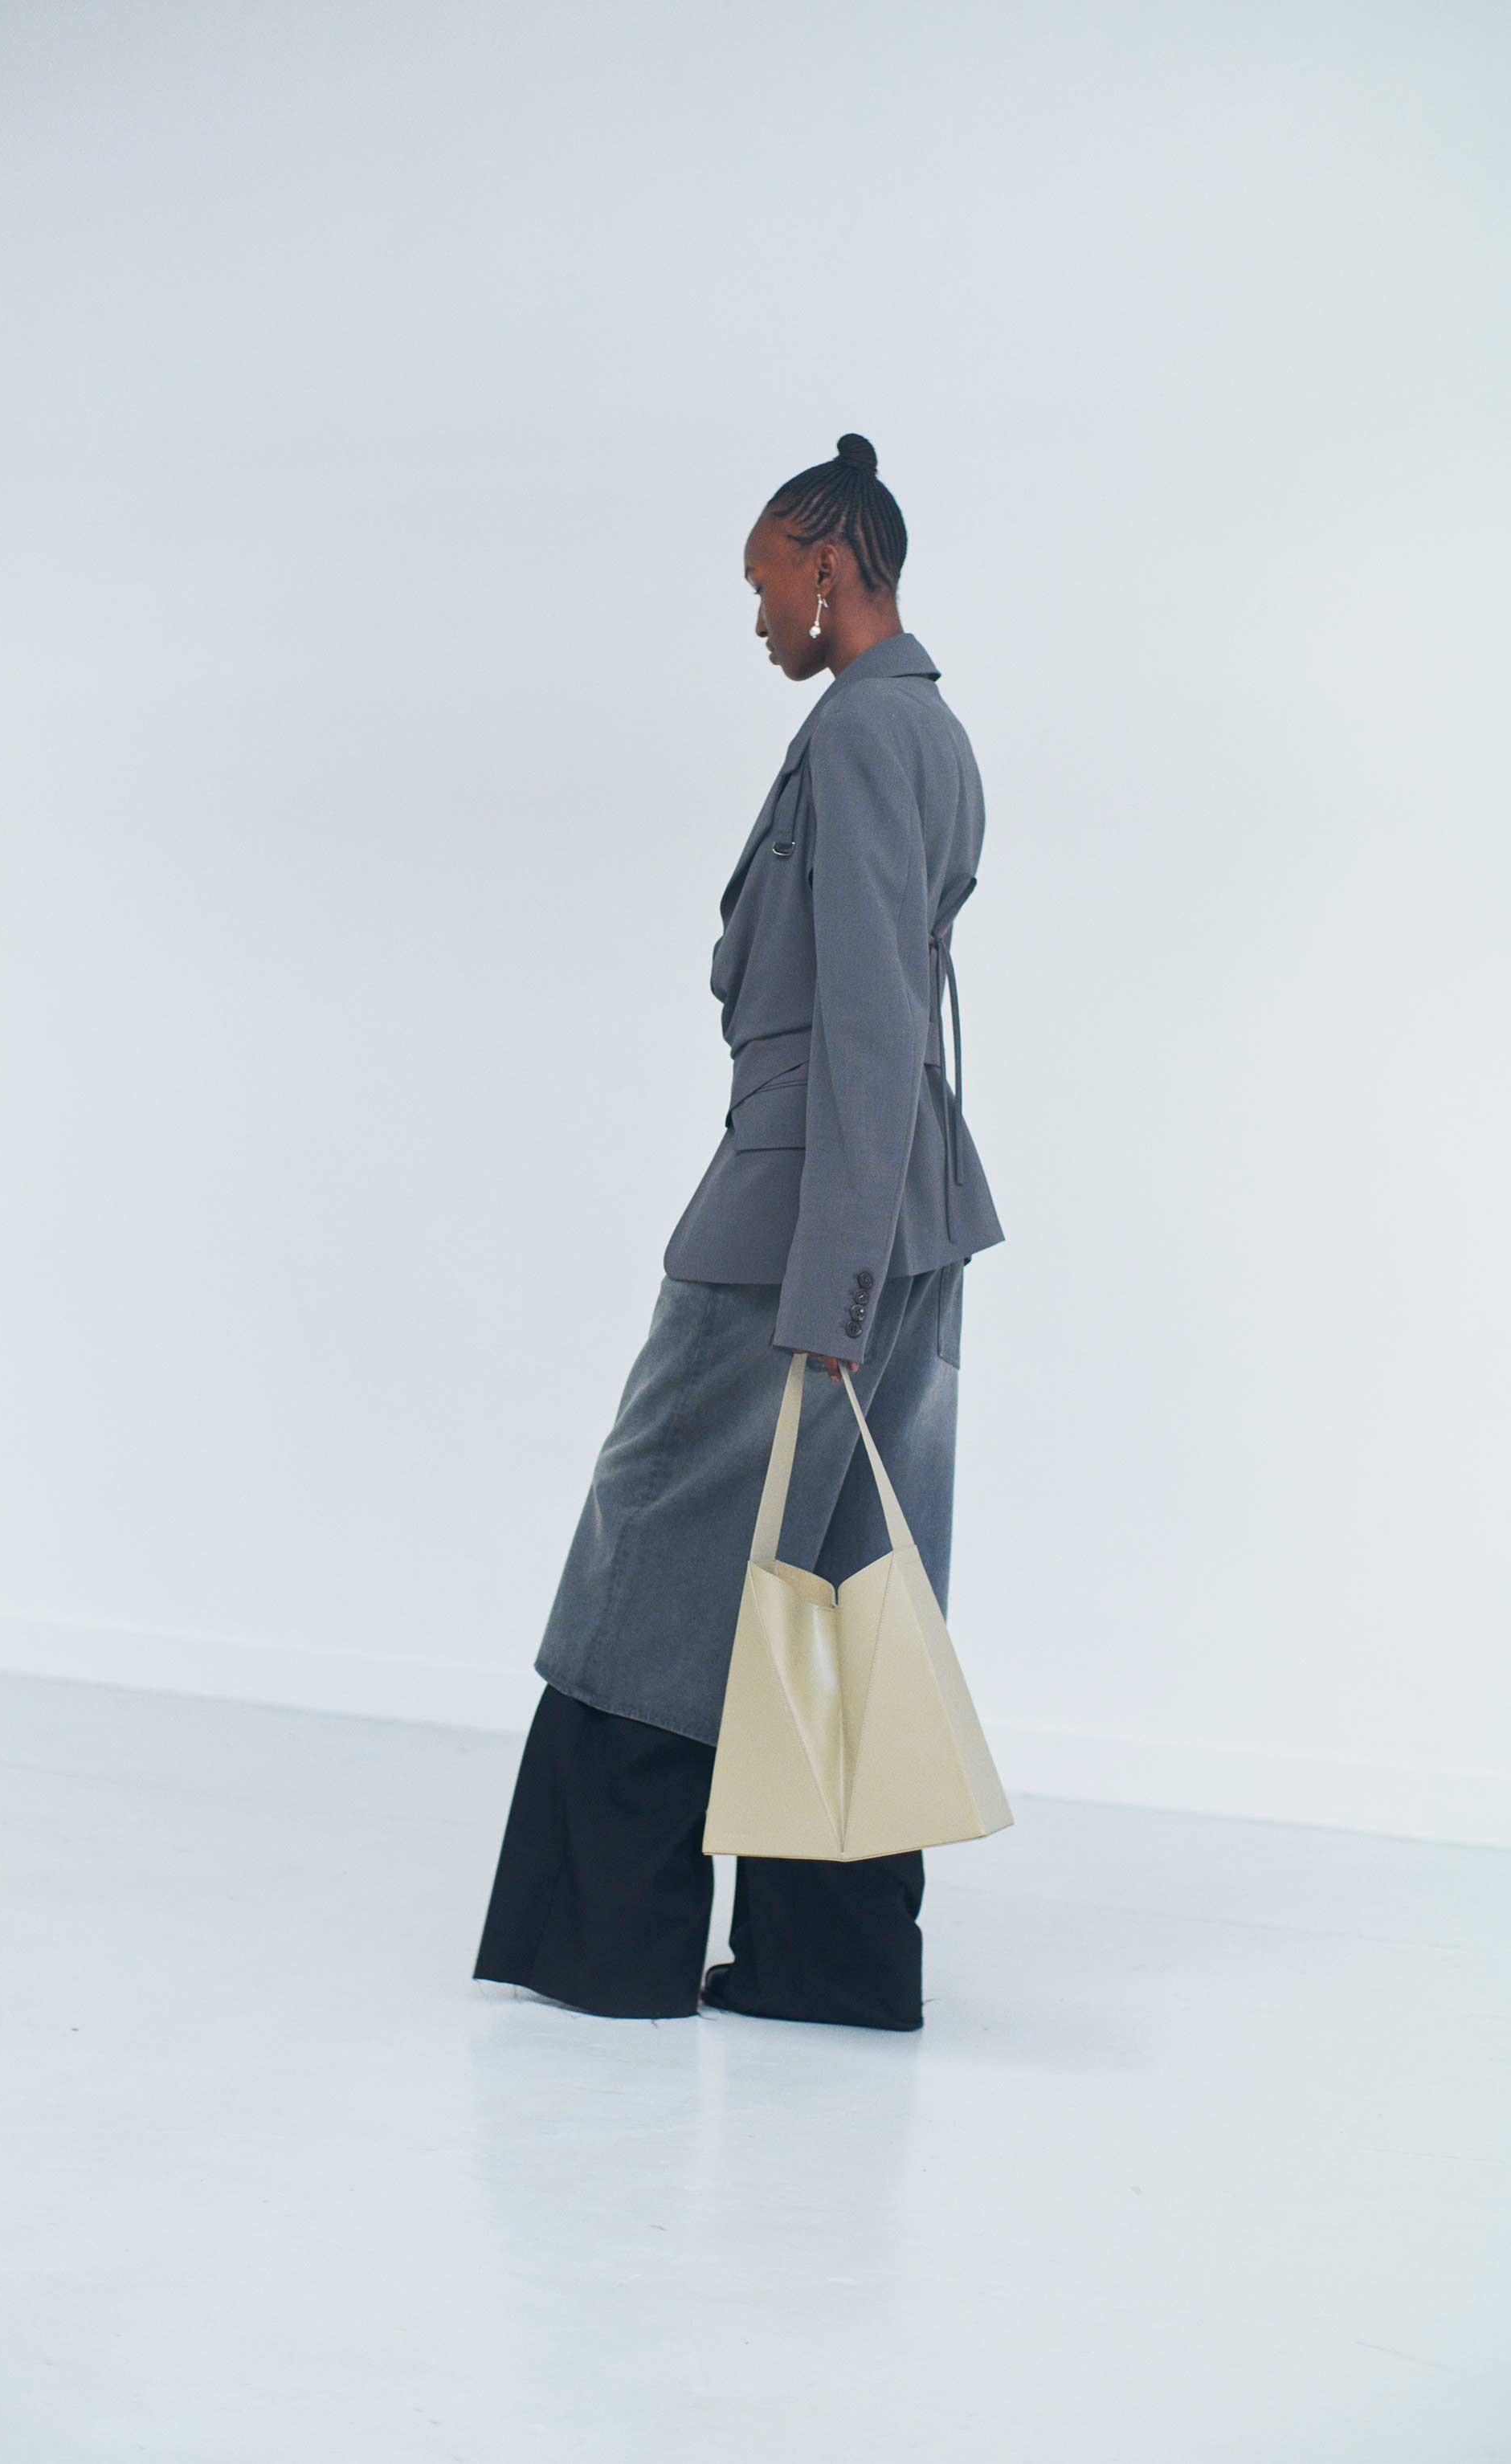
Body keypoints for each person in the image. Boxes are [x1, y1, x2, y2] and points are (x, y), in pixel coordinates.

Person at [472, 434, 1005, 2032]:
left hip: (801, 1219)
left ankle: (606, 1942)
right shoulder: (934, 727)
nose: (758, 612)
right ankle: (827, 1961)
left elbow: (869, 1014)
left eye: (765, 581)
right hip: (898, 1205)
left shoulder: (860, 731)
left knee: (657, 1547)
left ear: (827, 566)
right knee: (837, 1567)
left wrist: (826, 1288)